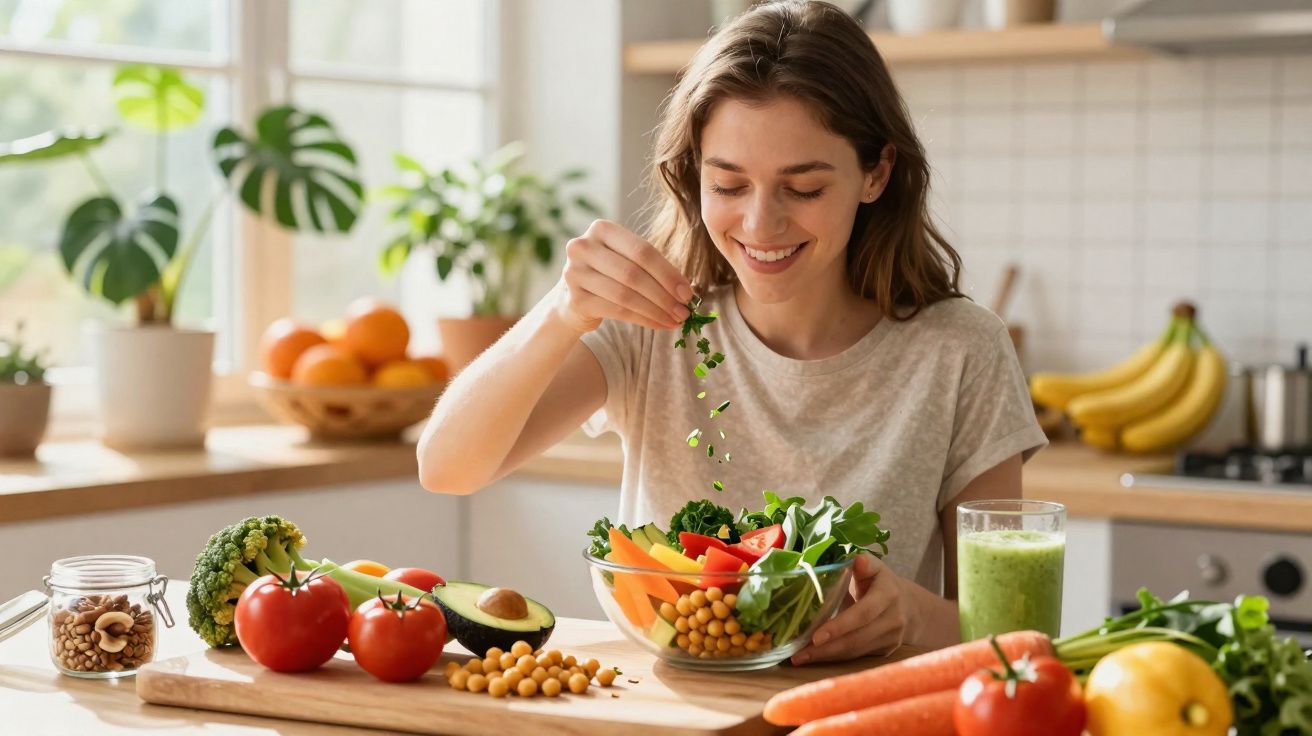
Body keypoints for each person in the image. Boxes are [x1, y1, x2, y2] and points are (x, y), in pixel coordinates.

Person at [417, 0, 1046, 662]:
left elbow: (1018, 636)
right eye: (728, 184)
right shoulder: (655, 329)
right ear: (693, 177)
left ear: (876, 173)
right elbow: (447, 467)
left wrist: (913, 618)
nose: (760, 224)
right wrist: (560, 313)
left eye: (803, 189)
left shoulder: (961, 351)